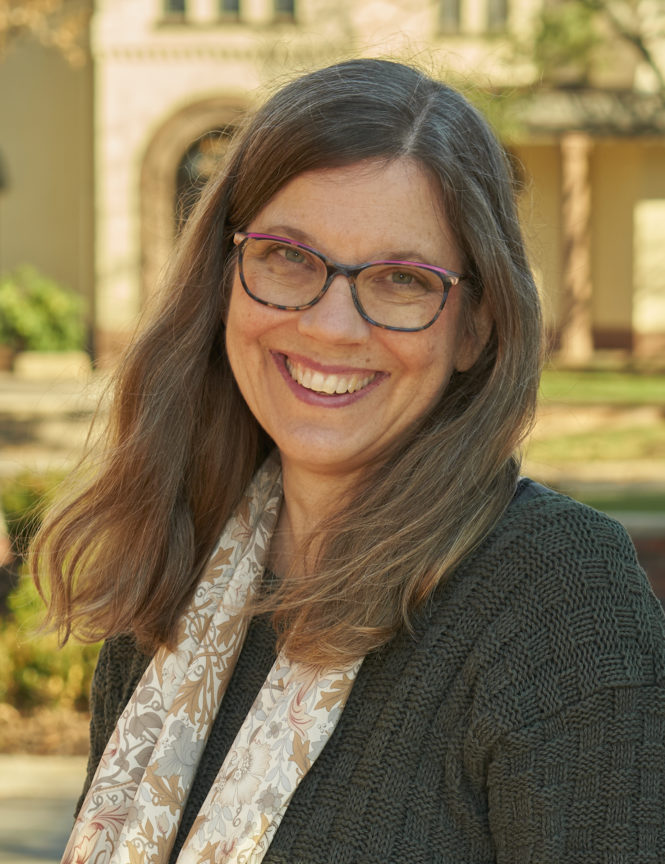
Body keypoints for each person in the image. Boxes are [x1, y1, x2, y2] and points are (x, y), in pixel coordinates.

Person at [32, 59, 664, 864]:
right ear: (225, 278)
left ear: (475, 326)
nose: (332, 326)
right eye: (288, 257)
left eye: (403, 279)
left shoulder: (558, 599)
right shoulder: (176, 577)